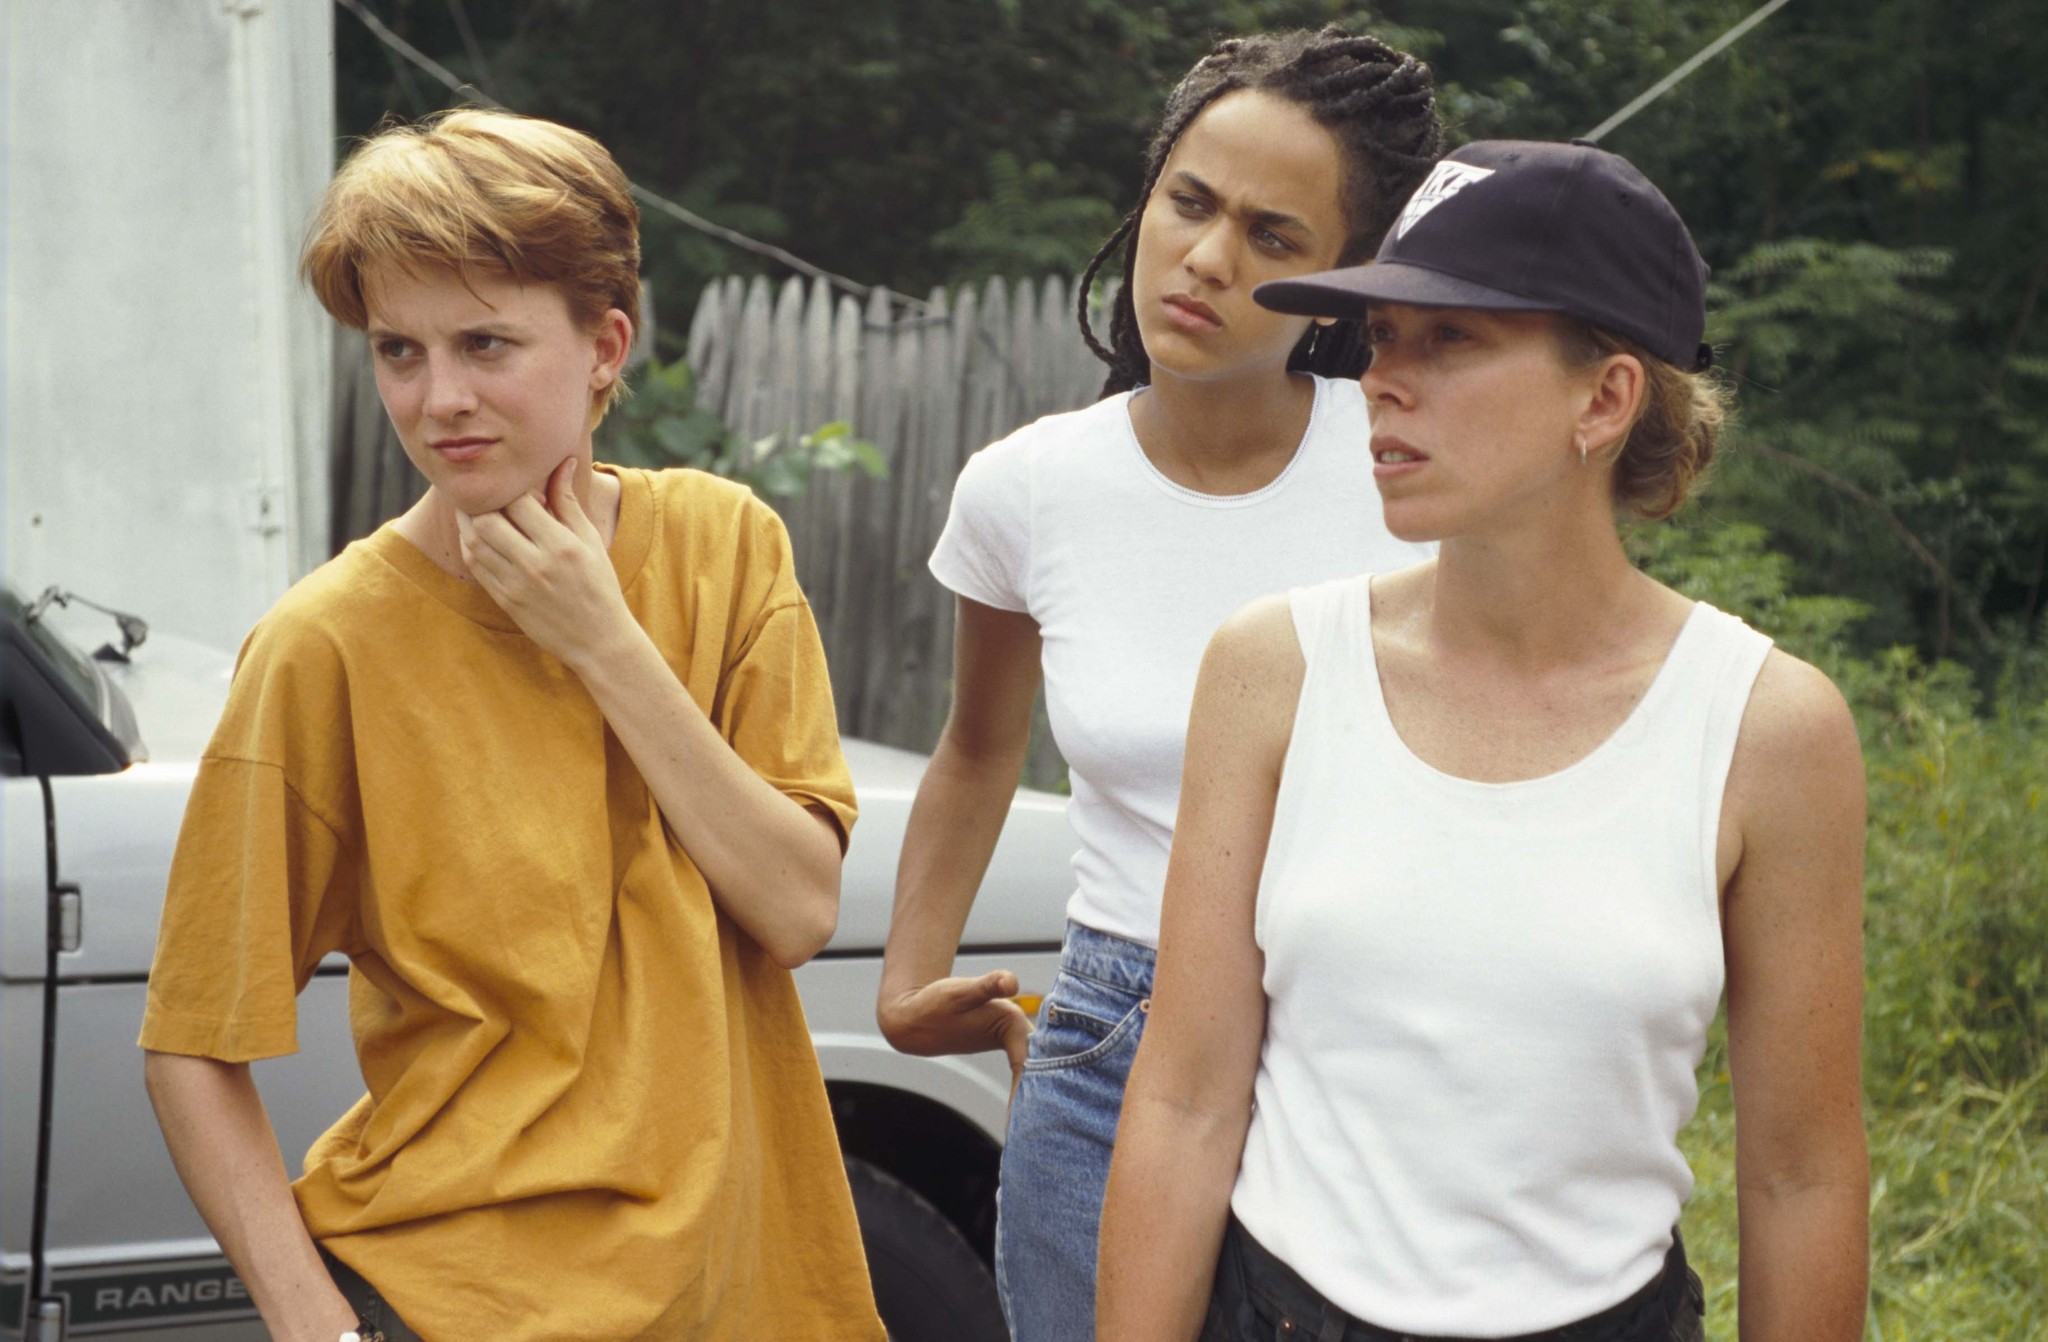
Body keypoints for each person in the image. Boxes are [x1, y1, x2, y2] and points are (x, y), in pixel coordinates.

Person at [1097, 140, 1871, 1342]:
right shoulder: (1272, 672)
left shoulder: (1766, 729)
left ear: (1603, 399)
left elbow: (1799, 1176)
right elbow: (1186, 1100)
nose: (1382, 382)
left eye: (1448, 341)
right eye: (1382, 341)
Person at [138, 108, 883, 1342]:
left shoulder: (723, 547)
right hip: (446, 1297)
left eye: (486, 342)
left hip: (745, 1297)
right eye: (399, 351)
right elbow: (191, 1045)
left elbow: (796, 907)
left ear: (604, 346)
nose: (439, 401)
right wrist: (315, 1328)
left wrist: (600, 637)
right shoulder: (326, 644)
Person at [874, 26, 1443, 1342]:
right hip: (1107, 1052)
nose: (1207, 259)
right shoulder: (1030, 488)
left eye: (1272, 235)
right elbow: (976, 749)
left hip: (1363, 1041)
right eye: (1189, 202)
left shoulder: (1413, 473)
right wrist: (907, 981)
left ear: (1344, 285)